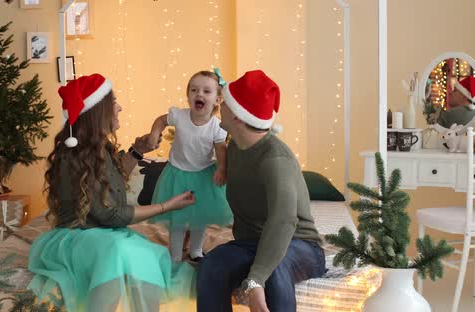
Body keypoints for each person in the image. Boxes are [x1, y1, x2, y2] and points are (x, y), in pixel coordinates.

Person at [28, 73, 196, 312]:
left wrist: (137, 151)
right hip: (78, 237)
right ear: (98, 112)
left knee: (142, 254)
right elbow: (110, 215)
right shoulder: (73, 156)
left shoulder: (98, 147)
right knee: (117, 251)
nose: (119, 107)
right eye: (113, 102)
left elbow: (112, 182)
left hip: (104, 235)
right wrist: (167, 206)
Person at [196, 70, 326, 312]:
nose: (219, 105)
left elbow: (283, 222)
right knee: (212, 265)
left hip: (299, 244)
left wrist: (256, 279)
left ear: (237, 117)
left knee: (274, 271)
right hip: (251, 242)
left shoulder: (276, 159)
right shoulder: (235, 146)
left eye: (225, 102)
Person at [146, 70, 233, 262]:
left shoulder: (217, 126)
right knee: (177, 220)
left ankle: (196, 251)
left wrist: (221, 168)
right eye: (194, 90)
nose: (199, 94)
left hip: (203, 176)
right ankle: (175, 254)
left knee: (199, 218)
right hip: (177, 174)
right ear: (188, 96)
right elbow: (161, 120)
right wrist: (154, 133)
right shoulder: (180, 116)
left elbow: (221, 150)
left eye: (206, 91)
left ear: (217, 100)